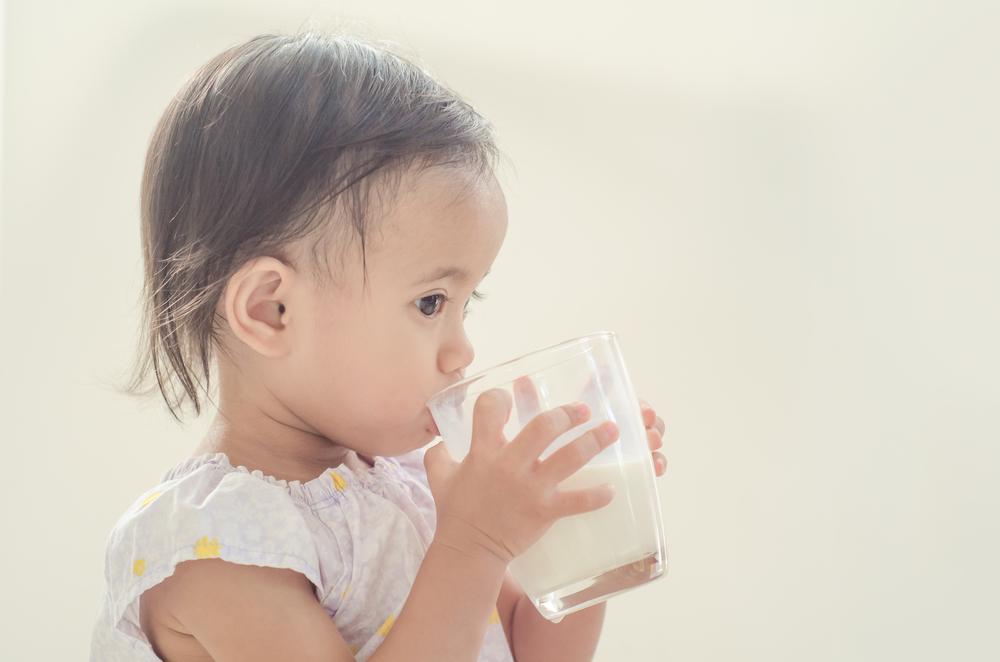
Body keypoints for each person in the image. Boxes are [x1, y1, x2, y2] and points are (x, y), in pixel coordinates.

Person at [90, 29, 668, 661]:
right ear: (271, 311)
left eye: (463, 305)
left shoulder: (416, 482)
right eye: (430, 303)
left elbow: (536, 652)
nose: (461, 354)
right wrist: (474, 543)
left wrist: (577, 527)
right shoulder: (212, 549)